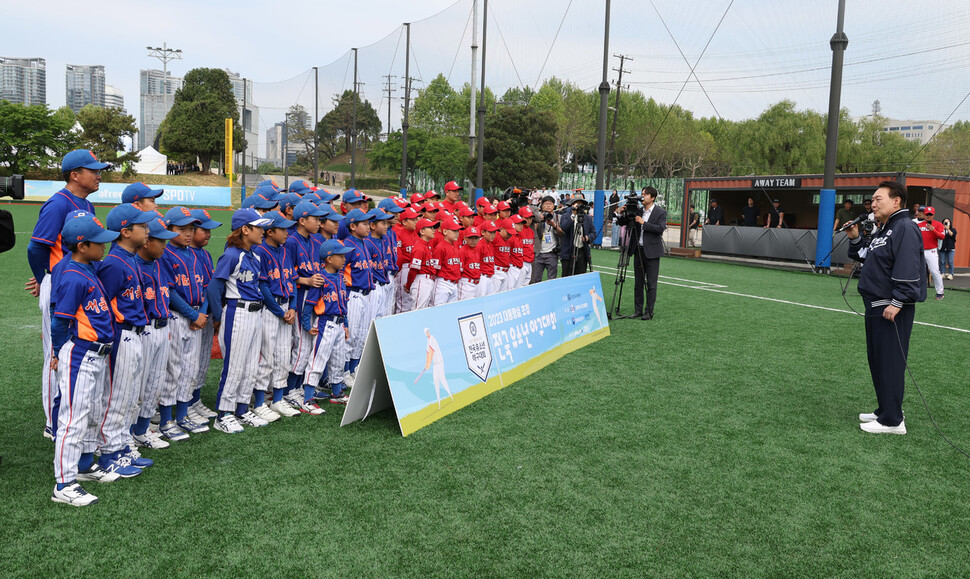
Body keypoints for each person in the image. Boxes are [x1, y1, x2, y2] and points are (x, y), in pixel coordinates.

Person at [26, 149, 106, 441]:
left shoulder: (87, 204)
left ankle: (68, 411)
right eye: (93, 170)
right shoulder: (58, 204)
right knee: (56, 353)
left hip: (74, 282)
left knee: (72, 351)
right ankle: (52, 422)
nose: (99, 175)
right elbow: (36, 247)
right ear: (75, 175)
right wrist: (45, 278)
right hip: (59, 283)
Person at [50, 213, 121, 506]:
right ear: (81, 246)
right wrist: (58, 352)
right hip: (80, 353)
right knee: (73, 420)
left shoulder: (89, 269)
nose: (104, 246)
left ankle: (83, 466)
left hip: (96, 354)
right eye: (98, 243)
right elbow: (59, 322)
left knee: (91, 413)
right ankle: (64, 484)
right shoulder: (73, 277)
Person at [847, 181, 926, 435]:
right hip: (875, 304)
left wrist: (897, 301)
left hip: (890, 306)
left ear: (896, 201)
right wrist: (856, 238)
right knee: (878, 360)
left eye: (878, 198)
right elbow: (867, 257)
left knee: (890, 361)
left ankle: (892, 421)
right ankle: (886, 408)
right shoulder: (885, 229)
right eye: (872, 199)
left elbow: (908, 265)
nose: (873, 203)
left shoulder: (904, 226)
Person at [96, 204, 158, 477]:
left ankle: (122, 446)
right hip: (121, 334)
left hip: (136, 332)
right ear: (125, 231)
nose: (148, 230)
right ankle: (109, 451)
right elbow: (103, 306)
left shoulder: (130, 258)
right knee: (117, 397)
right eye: (143, 226)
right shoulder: (114, 263)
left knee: (131, 396)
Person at [208, 208, 274, 432]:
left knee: (249, 366)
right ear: (245, 230)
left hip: (256, 313)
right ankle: (223, 414)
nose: (263, 231)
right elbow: (214, 288)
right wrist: (218, 316)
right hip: (237, 312)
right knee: (234, 365)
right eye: (259, 227)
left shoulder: (255, 255)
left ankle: (242, 409)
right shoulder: (231, 255)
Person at [132, 217, 178, 450]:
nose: (165, 246)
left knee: (155, 383)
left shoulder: (160, 262)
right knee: (138, 386)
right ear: (146, 242)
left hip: (163, 325)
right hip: (145, 329)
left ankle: (142, 430)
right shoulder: (134, 265)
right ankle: (128, 433)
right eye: (161, 241)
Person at [252, 211, 298, 422]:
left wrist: (293, 308)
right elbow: (262, 287)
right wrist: (281, 312)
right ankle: (259, 402)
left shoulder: (285, 251)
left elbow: (293, 282)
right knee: (266, 356)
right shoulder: (259, 251)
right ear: (270, 231)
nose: (287, 232)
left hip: (287, 307)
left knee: (282, 356)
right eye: (283, 229)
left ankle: (278, 398)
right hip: (270, 310)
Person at [302, 239, 352, 406]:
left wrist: (345, 325)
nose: (344, 259)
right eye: (341, 256)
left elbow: (343, 304)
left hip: (338, 324)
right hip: (325, 323)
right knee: (318, 359)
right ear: (329, 258)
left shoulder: (341, 278)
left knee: (338, 360)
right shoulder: (320, 279)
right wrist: (307, 326)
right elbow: (309, 304)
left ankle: (337, 393)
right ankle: (308, 398)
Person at [619, 187, 666, 320]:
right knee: (638, 283)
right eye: (642, 194)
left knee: (651, 284)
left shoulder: (660, 212)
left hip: (652, 253)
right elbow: (622, 222)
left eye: (645, 194)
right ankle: (638, 310)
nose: (642, 196)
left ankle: (649, 312)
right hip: (638, 250)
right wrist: (624, 213)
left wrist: (643, 223)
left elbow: (660, 229)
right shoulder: (637, 210)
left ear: (652, 198)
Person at [559, 199, 595, 277]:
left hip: (582, 251)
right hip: (569, 251)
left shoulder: (587, 218)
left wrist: (588, 237)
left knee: (580, 277)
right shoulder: (566, 216)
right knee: (566, 277)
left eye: (580, 204)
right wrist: (573, 215)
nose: (578, 206)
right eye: (576, 204)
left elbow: (593, 232)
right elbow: (564, 227)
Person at [531, 196, 562, 283]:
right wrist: (538, 220)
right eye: (546, 204)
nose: (548, 206)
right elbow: (532, 232)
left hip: (552, 253)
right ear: (541, 206)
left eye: (550, 204)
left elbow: (562, 233)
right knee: (535, 279)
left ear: (554, 205)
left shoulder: (558, 217)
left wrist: (553, 224)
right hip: (538, 254)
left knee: (551, 280)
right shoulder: (537, 217)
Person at [916, 206, 945, 300]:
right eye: (927, 214)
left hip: (931, 251)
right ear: (924, 214)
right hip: (919, 251)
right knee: (917, 272)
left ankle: (940, 292)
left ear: (933, 215)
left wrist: (933, 229)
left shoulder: (938, 224)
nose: (928, 216)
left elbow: (942, 236)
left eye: (930, 214)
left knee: (934, 271)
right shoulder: (919, 224)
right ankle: (918, 291)